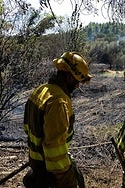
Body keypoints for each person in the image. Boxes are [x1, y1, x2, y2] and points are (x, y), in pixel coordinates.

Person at [22, 52, 92, 188]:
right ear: (68, 75)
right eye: (77, 81)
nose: (78, 86)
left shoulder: (40, 90)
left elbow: (27, 128)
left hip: (36, 161)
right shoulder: (59, 101)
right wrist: (64, 174)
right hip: (53, 167)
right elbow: (53, 147)